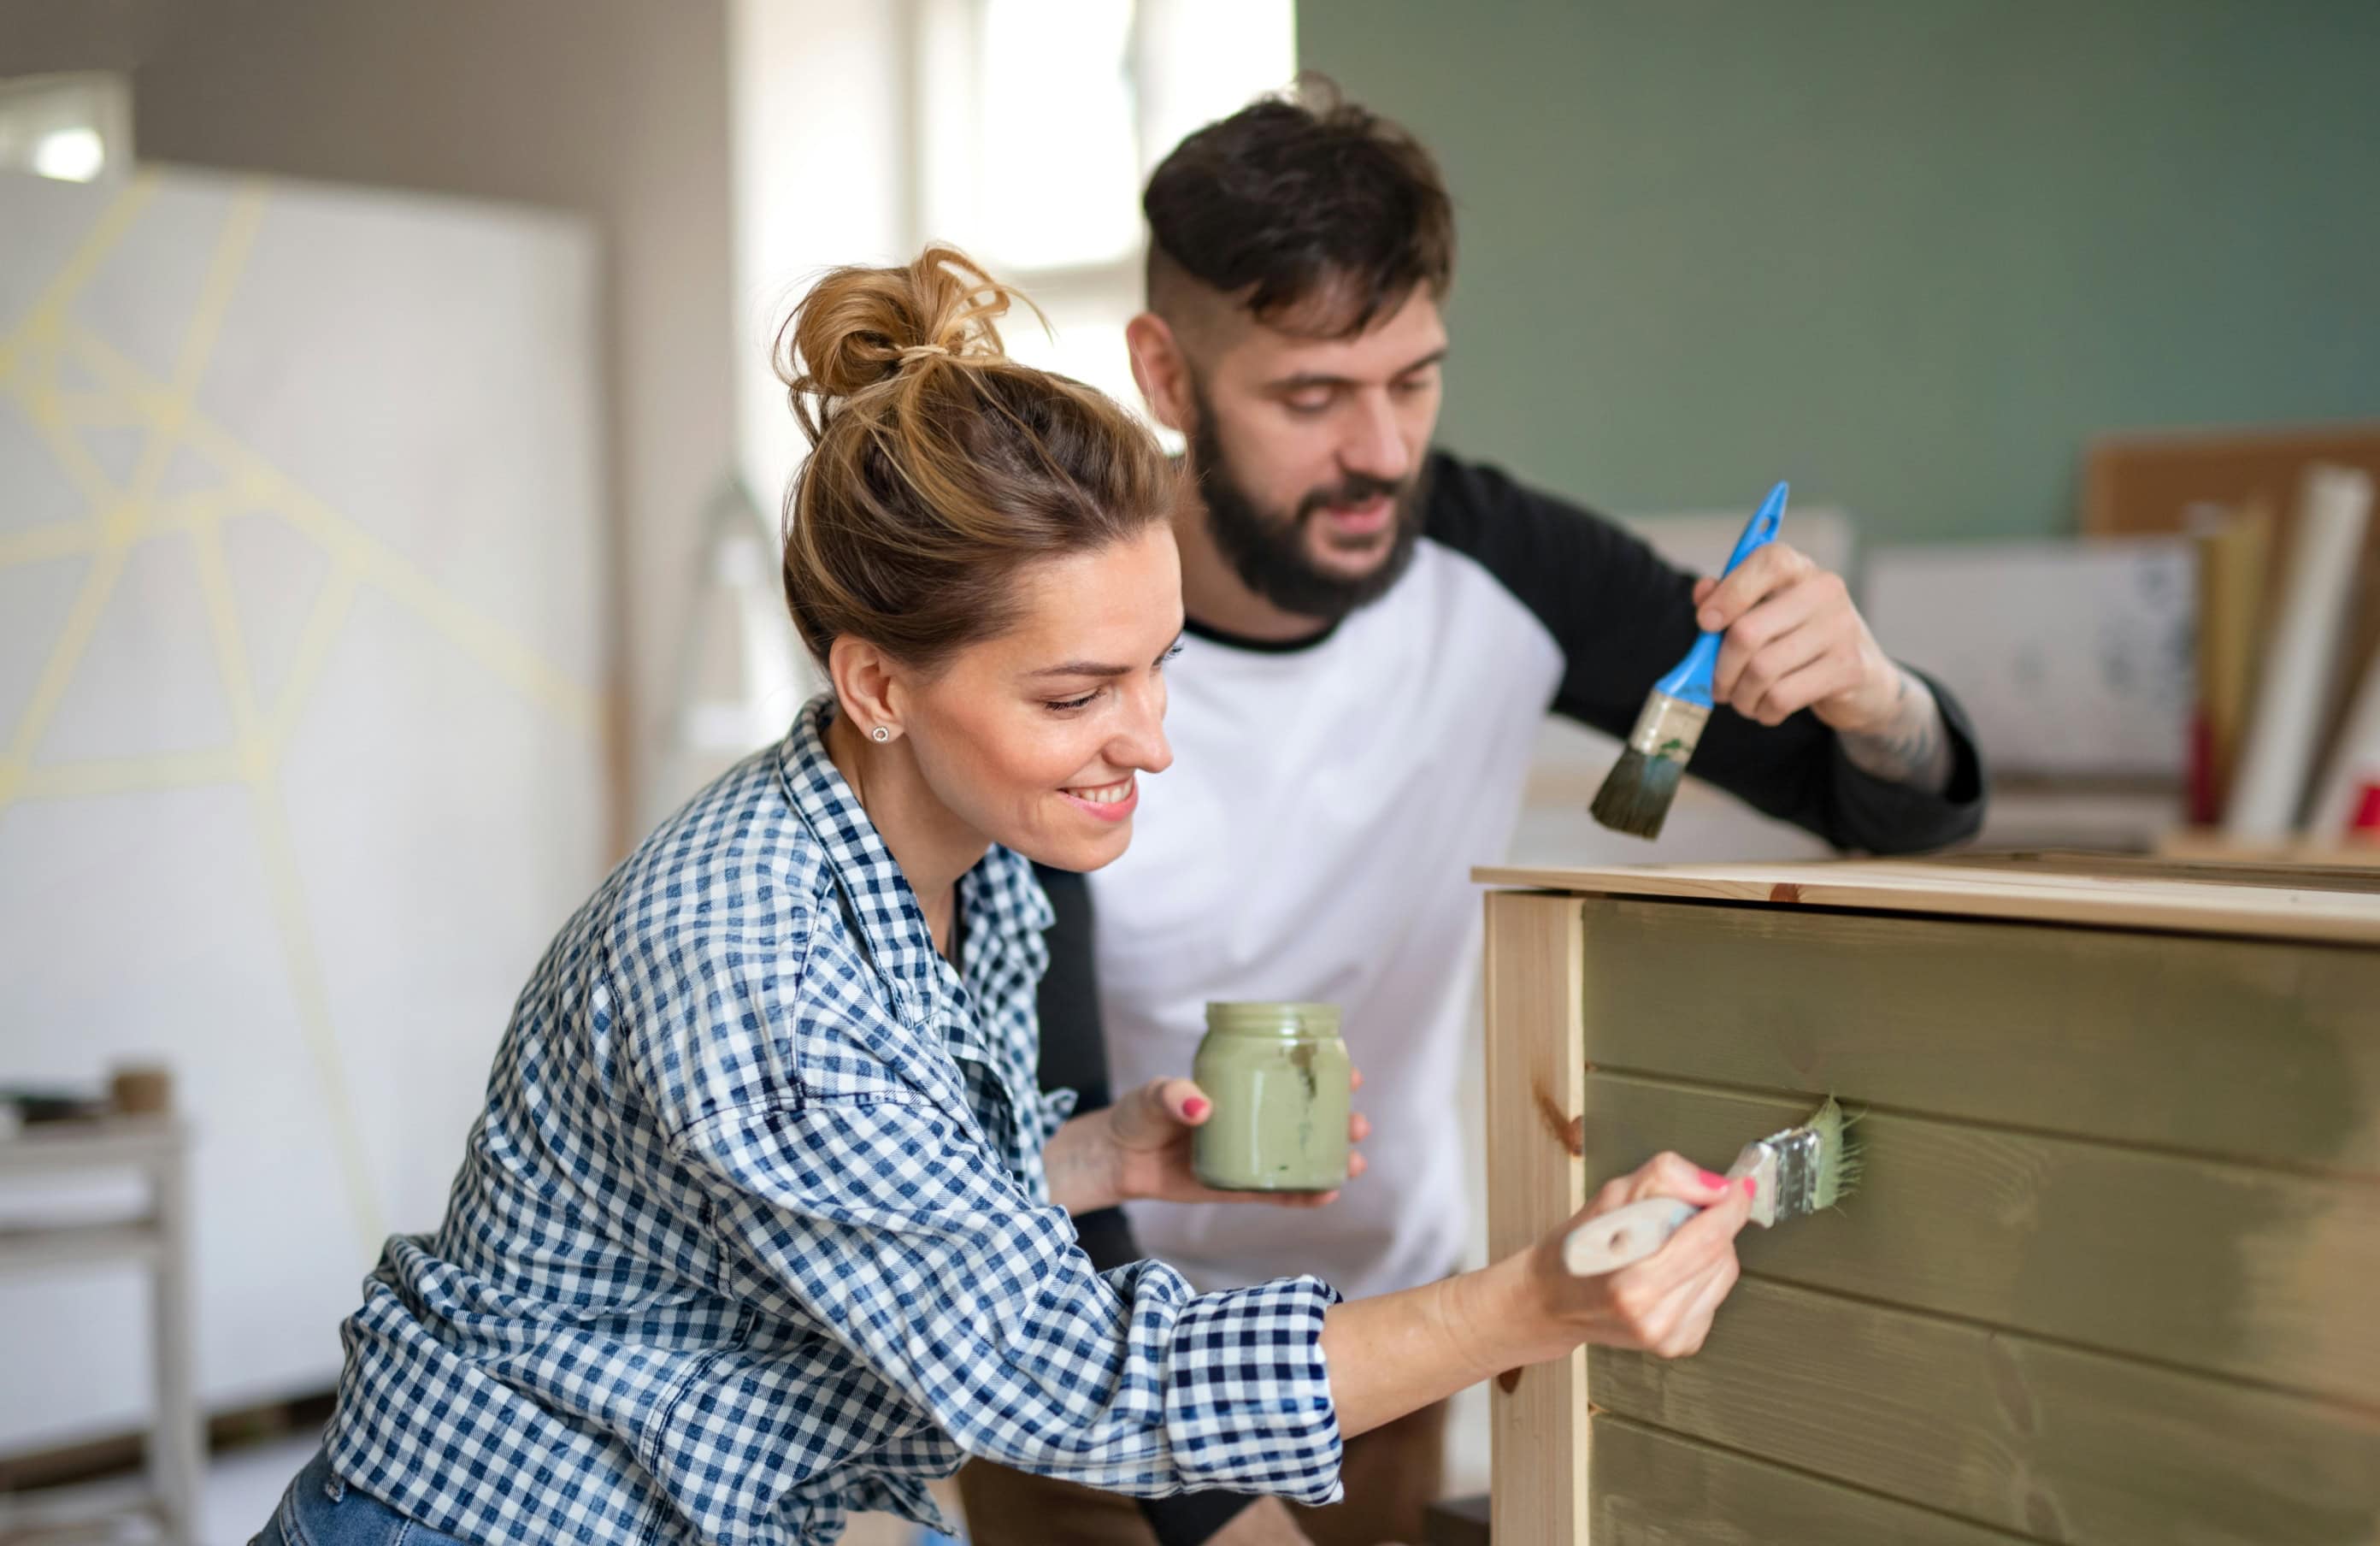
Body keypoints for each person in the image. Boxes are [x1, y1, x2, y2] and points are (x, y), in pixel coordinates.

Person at [246, 246, 1752, 1546]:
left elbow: (874, 1180)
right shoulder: (745, 949)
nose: (1148, 742)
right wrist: (1541, 1301)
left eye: (1162, 667)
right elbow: (1066, 1375)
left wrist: (1100, 1154)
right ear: (878, 683)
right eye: (1078, 692)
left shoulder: (973, 865)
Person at [958, 84, 1988, 1546]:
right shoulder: (1060, 660)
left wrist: (1877, 693)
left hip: (1393, 1332)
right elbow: (1041, 1141)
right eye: (1311, 397)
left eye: (1415, 382)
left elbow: (1884, 812)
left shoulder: (1507, 563)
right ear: (1167, 377)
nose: (1380, 451)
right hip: (1079, 1377)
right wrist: (1199, 1512)